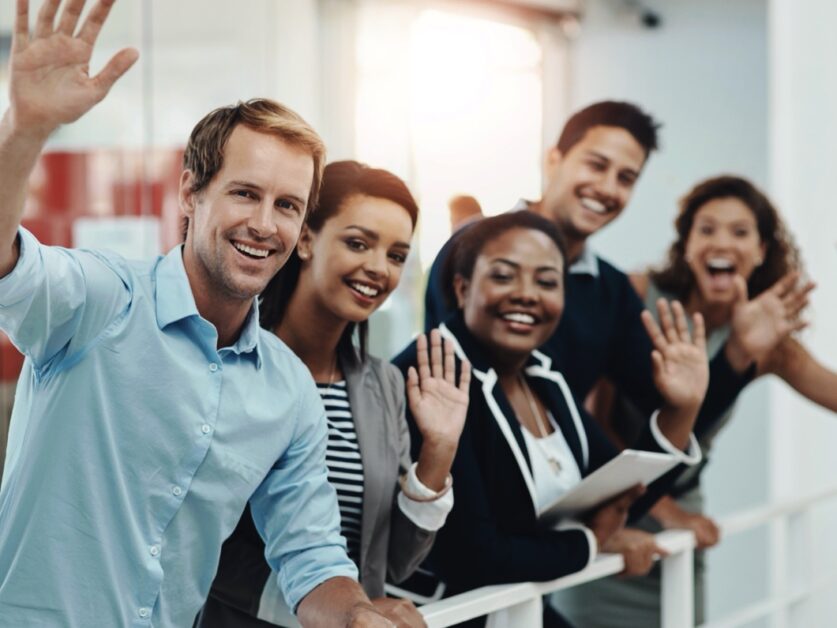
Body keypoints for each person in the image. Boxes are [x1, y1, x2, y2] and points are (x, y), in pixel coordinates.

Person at [0, 2, 392, 626]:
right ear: (190, 192)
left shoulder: (287, 391)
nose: (265, 225)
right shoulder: (102, 299)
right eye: (245, 193)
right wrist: (23, 130)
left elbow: (313, 557)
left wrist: (358, 617)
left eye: (288, 206)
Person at [394, 211, 707, 627]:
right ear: (462, 286)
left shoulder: (543, 374)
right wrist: (590, 542)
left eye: (546, 281)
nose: (527, 294)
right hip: (443, 616)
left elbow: (618, 493)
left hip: (518, 610)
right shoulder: (431, 376)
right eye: (504, 276)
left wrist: (682, 409)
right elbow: (474, 556)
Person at [196, 160, 471, 628]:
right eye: (358, 243)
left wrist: (438, 453)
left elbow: (392, 561)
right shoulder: (231, 361)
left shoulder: (382, 385)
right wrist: (345, 613)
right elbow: (196, 540)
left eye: (397, 255)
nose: (378, 268)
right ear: (305, 239)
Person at [557, 175, 830, 627]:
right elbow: (591, 421)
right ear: (686, 245)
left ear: (761, 251)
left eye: (740, 232)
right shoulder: (638, 295)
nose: (721, 242)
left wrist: (676, 514)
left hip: (682, 518)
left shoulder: (769, 343)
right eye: (706, 229)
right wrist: (661, 512)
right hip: (605, 514)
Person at [424, 102, 757, 449]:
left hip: (564, 491)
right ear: (554, 161)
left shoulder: (611, 292)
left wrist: (737, 353)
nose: (607, 188)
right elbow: (476, 389)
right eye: (596, 165)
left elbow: (673, 409)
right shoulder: (473, 248)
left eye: (625, 178)